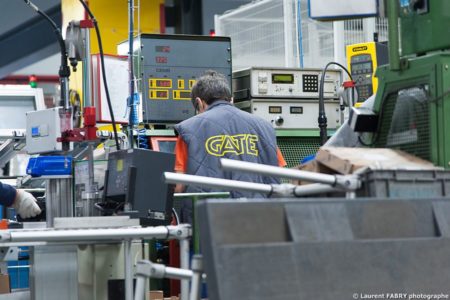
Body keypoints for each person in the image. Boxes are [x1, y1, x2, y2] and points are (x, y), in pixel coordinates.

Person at [174, 70, 286, 204]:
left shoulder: (189, 129)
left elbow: (178, 186)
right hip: (260, 215)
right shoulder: (264, 127)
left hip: (210, 217)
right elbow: (279, 172)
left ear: (199, 103)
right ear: (232, 100)